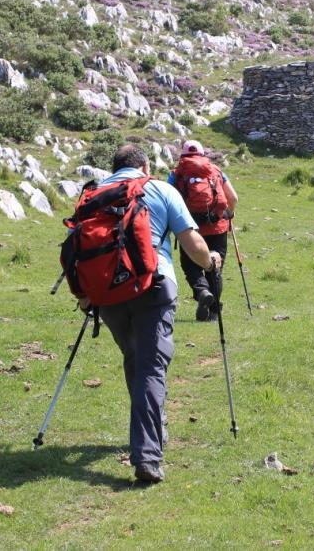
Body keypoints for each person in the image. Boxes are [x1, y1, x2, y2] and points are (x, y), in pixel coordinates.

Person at [76, 144, 222, 484]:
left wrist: (84, 296)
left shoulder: (94, 193)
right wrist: (212, 261)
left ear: (114, 168)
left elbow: (78, 247)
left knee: (135, 357)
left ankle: (153, 427)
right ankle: (148, 457)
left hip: (107, 293)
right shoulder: (160, 188)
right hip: (153, 286)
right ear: (144, 165)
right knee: (151, 367)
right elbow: (192, 242)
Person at [167, 140, 239, 321]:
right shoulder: (215, 170)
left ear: (182, 155)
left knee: (190, 266)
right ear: (203, 155)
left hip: (189, 229)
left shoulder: (176, 174)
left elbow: (169, 200)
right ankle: (214, 312)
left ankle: (202, 291)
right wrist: (229, 214)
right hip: (217, 227)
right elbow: (234, 198)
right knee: (215, 267)